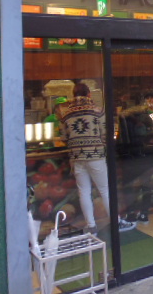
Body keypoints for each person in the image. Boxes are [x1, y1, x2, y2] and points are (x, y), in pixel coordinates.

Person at [57, 82, 136, 234]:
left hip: (77, 158)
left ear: (73, 95)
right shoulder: (98, 111)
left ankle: (91, 226)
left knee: (84, 192)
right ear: (88, 94)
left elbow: (64, 137)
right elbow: (106, 134)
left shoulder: (65, 114)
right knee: (105, 190)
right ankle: (116, 222)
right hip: (96, 156)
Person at [122, 92, 153, 224]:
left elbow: (124, 141)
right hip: (149, 157)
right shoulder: (150, 118)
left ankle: (131, 213)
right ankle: (144, 213)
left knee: (131, 186)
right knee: (146, 185)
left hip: (134, 158)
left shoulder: (126, 120)